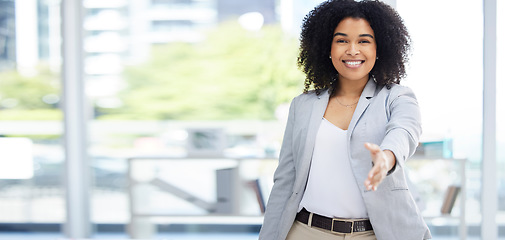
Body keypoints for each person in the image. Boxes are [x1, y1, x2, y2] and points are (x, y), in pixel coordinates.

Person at [259, 0, 431, 239]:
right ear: (327, 48)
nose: (352, 50)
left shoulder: (397, 97)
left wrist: (386, 157)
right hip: (305, 231)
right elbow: (285, 181)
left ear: (379, 48)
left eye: (363, 41)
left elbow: (405, 132)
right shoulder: (303, 105)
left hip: (372, 234)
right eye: (341, 40)